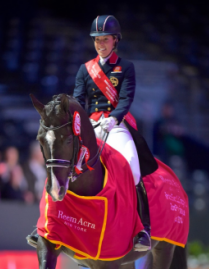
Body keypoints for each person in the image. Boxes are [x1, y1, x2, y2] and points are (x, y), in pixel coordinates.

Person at [73, 15, 158, 251]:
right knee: (64, 164)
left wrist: (113, 119)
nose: (100, 44)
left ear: (115, 40)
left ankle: (143, 229)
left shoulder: (126, 67)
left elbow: (126, 99)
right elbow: (79, 100)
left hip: (115, 124)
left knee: (132, 166)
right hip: (92, 126)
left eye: (105, 40)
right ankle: (52, 225)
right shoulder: (85, 69)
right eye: (97, 40)